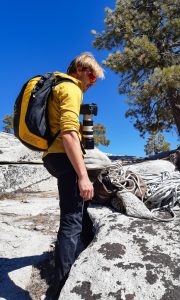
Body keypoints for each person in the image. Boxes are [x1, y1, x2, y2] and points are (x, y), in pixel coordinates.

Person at [42, 52, 104, 299]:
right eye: (91, 75)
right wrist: (82, 176)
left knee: (79, 211)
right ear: (79, 69)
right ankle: (61, 287)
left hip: (52, 157)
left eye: (95, 79)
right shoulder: (71, 88)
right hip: (64, 159)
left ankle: (85, 252)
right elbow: (68, 133)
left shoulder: (58, 87)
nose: (91, 82)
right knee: (71, 221)